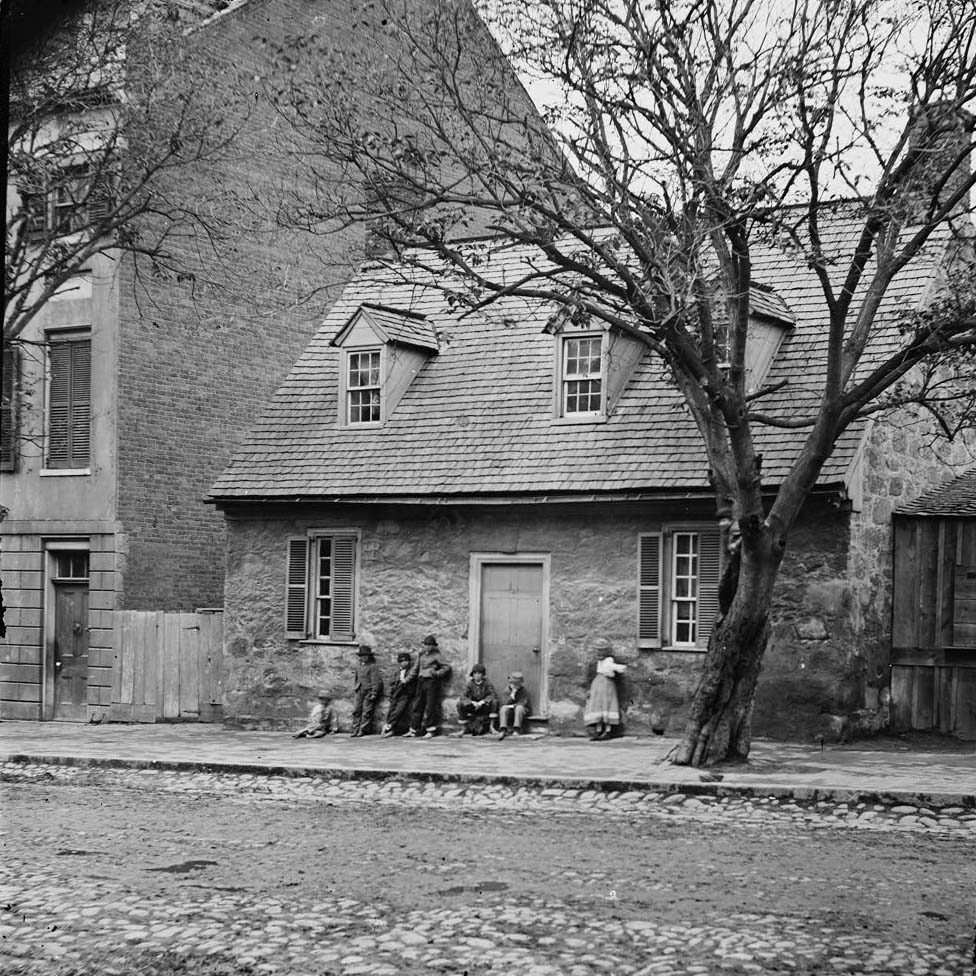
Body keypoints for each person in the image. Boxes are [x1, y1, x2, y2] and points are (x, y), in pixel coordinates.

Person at [407, 635, 452, 738]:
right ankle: (414, 729)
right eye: (426, 644)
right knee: (417, 705)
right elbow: (415, 668)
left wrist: (436, 673)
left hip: (431, 682)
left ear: (433, 646)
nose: (427, 647)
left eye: (430, 645)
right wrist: (407, 679)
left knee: (430, 706)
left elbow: (447, 667)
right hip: (421, 681)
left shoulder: (436, 655)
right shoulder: (421, 655)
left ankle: (430, 730)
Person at [584, 654, 627, 740]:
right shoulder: (594, 664)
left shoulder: (609, 660)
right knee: (597, 705)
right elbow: (590, 676)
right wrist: (589, 688)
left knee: (607, 704)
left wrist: (618, 669)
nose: (599, 655)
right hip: (597, 685)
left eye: (601, 652)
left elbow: (616, 670)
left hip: (608, 685)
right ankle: (599, 729)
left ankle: (608, 730)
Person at [382, 651, 418, 737]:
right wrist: (391, 693)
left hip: (405, 693)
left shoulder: (411, 671)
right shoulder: (397, 672)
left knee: (398, 710)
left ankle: (389, 726)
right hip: (396, 692)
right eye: (402, 661)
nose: (404, 663)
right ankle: (389, 728)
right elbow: (392, 683)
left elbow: (412, 682)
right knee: (391, 710)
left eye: (406, 661)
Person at [456, 663, 498, 736]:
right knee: (460, 704)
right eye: (475, 674)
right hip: (473, 707)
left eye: (479, 673)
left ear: (482, 675)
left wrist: (483, 701)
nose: (477, 675)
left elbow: (493, 694)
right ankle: (464, 728)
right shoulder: (470, 684)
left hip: (484, 706)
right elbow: (463, 696)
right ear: (473, 675)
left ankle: (492, 727)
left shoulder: (487, 683)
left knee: (495, 702)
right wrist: (472, 702)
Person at [351, 644, 383, 737]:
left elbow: (376, 681)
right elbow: (356, 678)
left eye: (366, 656)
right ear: (360, 657)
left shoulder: (372, 666)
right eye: (362, 656)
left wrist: (374, 692)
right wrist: (356, 688)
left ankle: (363, 729)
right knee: (357, 710)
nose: (365, 658)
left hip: (368, 691)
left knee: (366, 711)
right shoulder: (358, 666)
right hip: (359, 690)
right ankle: (355, 729)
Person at [497, 672, 530, 739]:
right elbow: (504, 703)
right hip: (510, 711)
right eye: (514, 684)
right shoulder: (506, 690)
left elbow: (523, 702)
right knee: (503, 709)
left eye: (517, 684)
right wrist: (511, 696)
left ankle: (517, 729)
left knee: (519, 708)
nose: (515, 686)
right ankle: (503, 729)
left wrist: (514, 706)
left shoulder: (523, 690)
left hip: (520, 711)